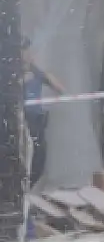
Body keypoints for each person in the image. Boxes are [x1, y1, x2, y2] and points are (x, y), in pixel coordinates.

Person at [20, 38, 65, 187]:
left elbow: (60, 88)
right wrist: (21, 81)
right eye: (24, 51)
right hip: (22, 120)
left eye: (28, 51)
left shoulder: (36, 72)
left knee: (40, 156)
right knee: (23, 155)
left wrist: (45, 74)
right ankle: (22, 186)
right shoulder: (12, 74)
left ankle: (28, 185)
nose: (27, 54)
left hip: (37, 120)